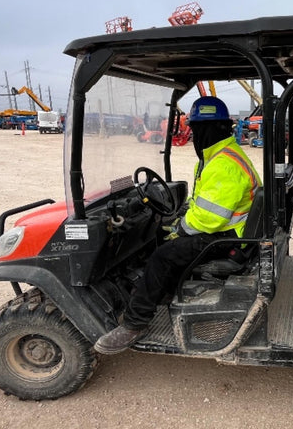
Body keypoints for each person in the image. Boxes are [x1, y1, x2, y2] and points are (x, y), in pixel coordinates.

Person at [94, 96, 262, 354]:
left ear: (210, 129)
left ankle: (134, 323)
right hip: (227, 229)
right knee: (166, 237)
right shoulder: (218, 156)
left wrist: (180, 228)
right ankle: (162, 291)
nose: (193, 135)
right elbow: (204, 204)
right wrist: (182, 216)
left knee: (162, 255)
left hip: (226, 238)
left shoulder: (223, 165)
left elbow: (209, 218)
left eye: (195, 129)